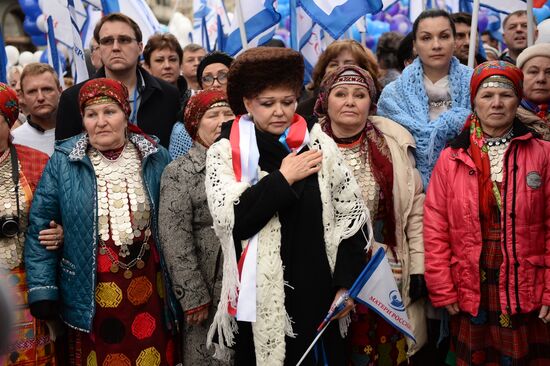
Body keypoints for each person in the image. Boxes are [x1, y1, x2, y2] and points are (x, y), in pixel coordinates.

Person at [205, 47, 369, 365]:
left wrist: (346, 284)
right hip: (258, 303)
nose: (280, 111)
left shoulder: (318, 142)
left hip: (318, 296)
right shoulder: (226, 151)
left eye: (288, 101)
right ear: (248, 104)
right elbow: (234, 221)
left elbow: (351, 216)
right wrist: (283, 178)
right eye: (268, 104)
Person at [25, 78, 179, 365]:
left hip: (151, 287)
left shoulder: (156, 156)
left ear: (126, 113)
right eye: (91, 114)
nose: (101, 122)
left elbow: (175, 219)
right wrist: (43, 290)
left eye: (110, 112)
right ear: (82, 120)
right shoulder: (64, 161)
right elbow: (41, 229)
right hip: (89, 291)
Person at [424, 60, 550, 365]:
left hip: (526, 287)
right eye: (487, 95)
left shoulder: (543, 154)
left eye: (505, 95)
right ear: (474, 102)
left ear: (517, 100)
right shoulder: (451, 158)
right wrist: (442, 287)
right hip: (472, 285)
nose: (496, 103)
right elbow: (435, 228)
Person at [314, 65, 427, 364]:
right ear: (325, 101)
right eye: (341, 94)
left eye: (359, 94)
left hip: (385, 271)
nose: (350, 101)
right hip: (329, 273)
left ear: (371, 102)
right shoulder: (307, 148)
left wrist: (418, 266)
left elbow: (413, 212)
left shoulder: (392, 147)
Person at [159, 90, 234, 365]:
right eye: (212, 115)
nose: (222, 122)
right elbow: (174, 235)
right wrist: (192, 296)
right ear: (195, 124)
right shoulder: (180, 171)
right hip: (206, 287)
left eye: (228, 114)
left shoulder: (247, 163)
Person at [0, 82, 64, 365]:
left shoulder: (36, 161)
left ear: (9, 123)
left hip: (27, 281)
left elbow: (59, 214)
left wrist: (61, 232)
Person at [378, 9, 473, 189]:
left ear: (455, 41)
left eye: (444, 36)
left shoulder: (476, 84)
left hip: (470, 189)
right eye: (426, 38)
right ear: (414, 45)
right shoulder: (393, 95)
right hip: (414, 195)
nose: (436, 45)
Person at [55, 13, 180, 148]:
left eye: (124, 40)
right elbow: (64, 158)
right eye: (107, 41)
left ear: (140, 47)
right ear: (100, 49)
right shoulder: (73, 98)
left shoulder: (168, 95)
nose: (115, 47)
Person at [297, 39, 380, 118]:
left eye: (349, 64)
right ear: (323, 71)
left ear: (364, 71)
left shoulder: (380, 106)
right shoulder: (304, 110)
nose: (341, 69)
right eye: (334, 65)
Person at [143, 33, 193, 158]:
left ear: (180, 64)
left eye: (172, 59)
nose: (167, 66)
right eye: (159, 60)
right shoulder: (141, 101)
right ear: (147, 66)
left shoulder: (193, 100)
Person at [11, 63, 62, 157]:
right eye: (32, 91)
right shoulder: (13, 141)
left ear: (60, 91)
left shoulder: (80, 132)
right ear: (22, 96)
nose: (40, 97)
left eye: (47, 89)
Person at [516, 43, 550, 140]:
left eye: (549, 72)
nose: (541, 79)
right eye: (533, 72)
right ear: (520, 77)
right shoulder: (506, 118)